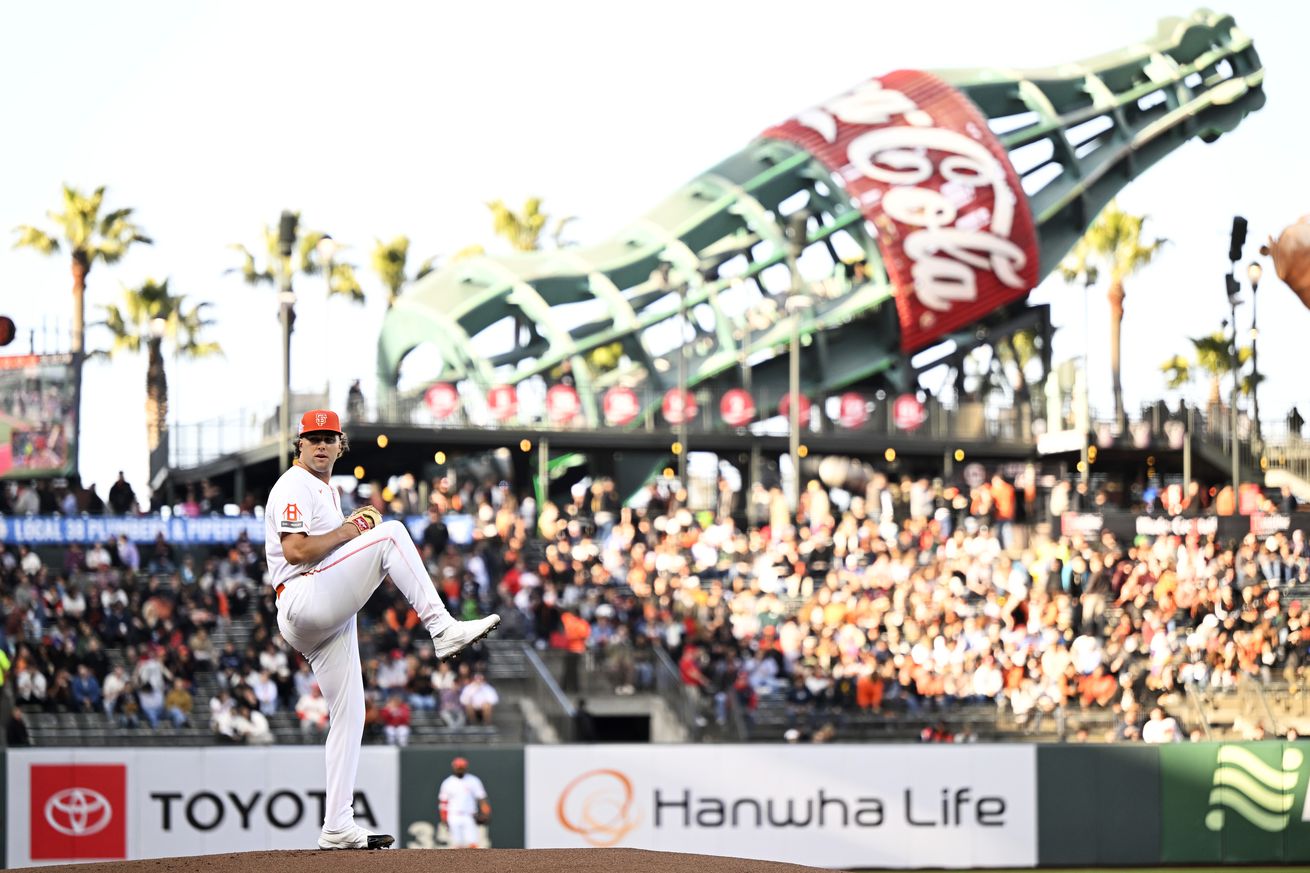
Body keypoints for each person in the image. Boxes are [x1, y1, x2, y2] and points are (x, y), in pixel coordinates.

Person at [267, 409, 499, 851]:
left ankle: (337, 825)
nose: (320, 444)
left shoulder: (323, 488)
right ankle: (441, 627)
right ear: (299, 444)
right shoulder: (294, 484)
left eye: (328, 437)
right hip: (302, 596)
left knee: (351, 716)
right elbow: (296, 550)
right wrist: (353, 528)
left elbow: (326, 549)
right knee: (391, 533)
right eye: (312, 437)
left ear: (340, 444)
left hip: (322, 614)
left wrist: (349, 532)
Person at [438, 756, 491, 849]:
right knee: (457, 844)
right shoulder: (448, 782)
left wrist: (486, 812)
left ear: (466, 768)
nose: (460, 770)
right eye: (458, 767)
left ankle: (474, 863)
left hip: (469, 815)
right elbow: (443, 802)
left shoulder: (473, 780)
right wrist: (444, 818)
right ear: (454, 767)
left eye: (462, 767)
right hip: (453, 815)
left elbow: (482, 798)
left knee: (473, 843)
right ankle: (458, 864)